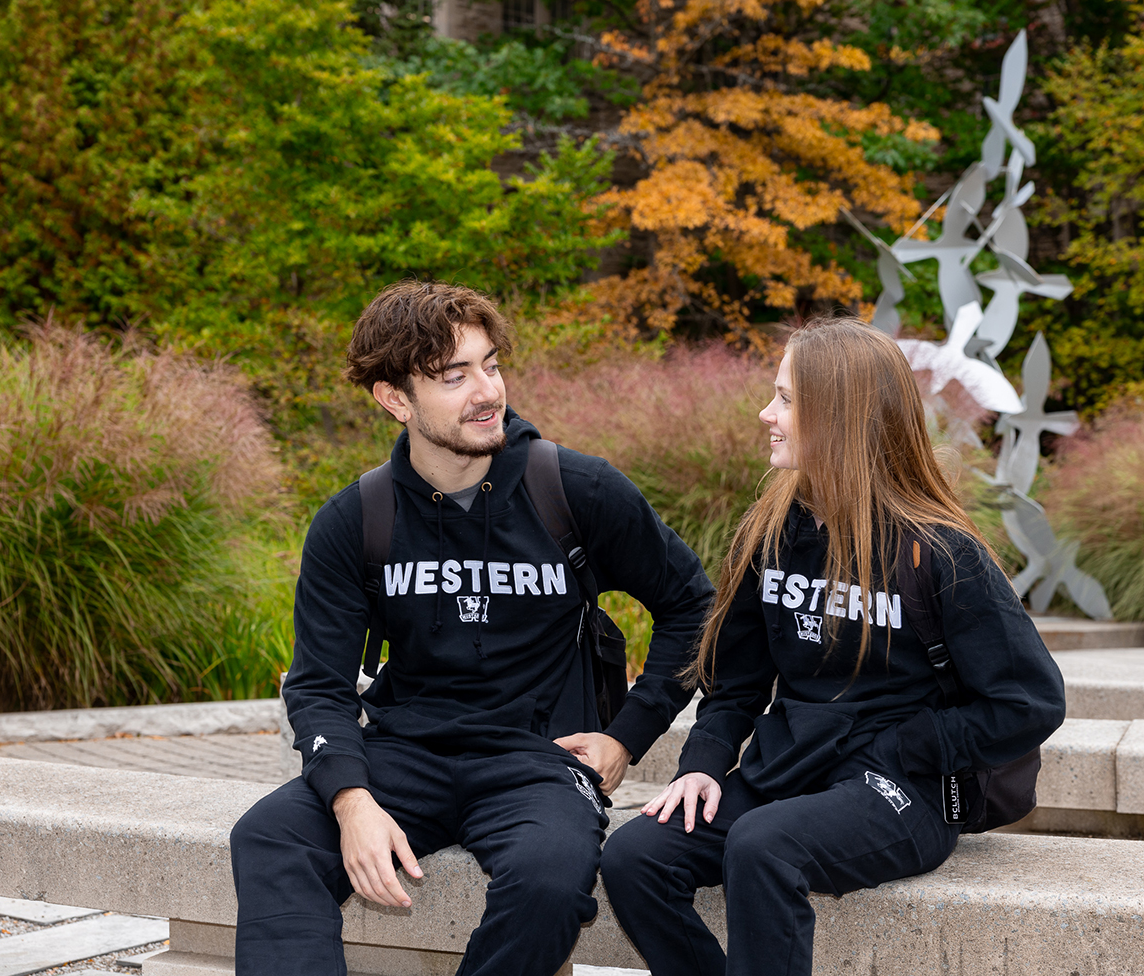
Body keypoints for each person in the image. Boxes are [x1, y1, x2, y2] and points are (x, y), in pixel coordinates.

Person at [230, 281, 713, 976]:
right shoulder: (356, 518)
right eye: (454, 377)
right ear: (395, 399)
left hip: (540, 762)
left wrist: (627, 736)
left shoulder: (576, 489)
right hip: (403, 752)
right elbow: (317, 685)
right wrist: (351, 799)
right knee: (271, 837)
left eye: (490, 365)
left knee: (550, 879)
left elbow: (695, 607)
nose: (487, 391)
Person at [600, 316, 1066, 976]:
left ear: (842, 416)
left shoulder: (938, 552)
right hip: (790, 774)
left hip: (902, 791)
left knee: (763, 845)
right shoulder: (771, 533)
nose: (767, 413)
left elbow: (1032, 702)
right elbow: (736, 681)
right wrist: (702, 763)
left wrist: (905, 747)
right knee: (635, 857)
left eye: (787, 399)